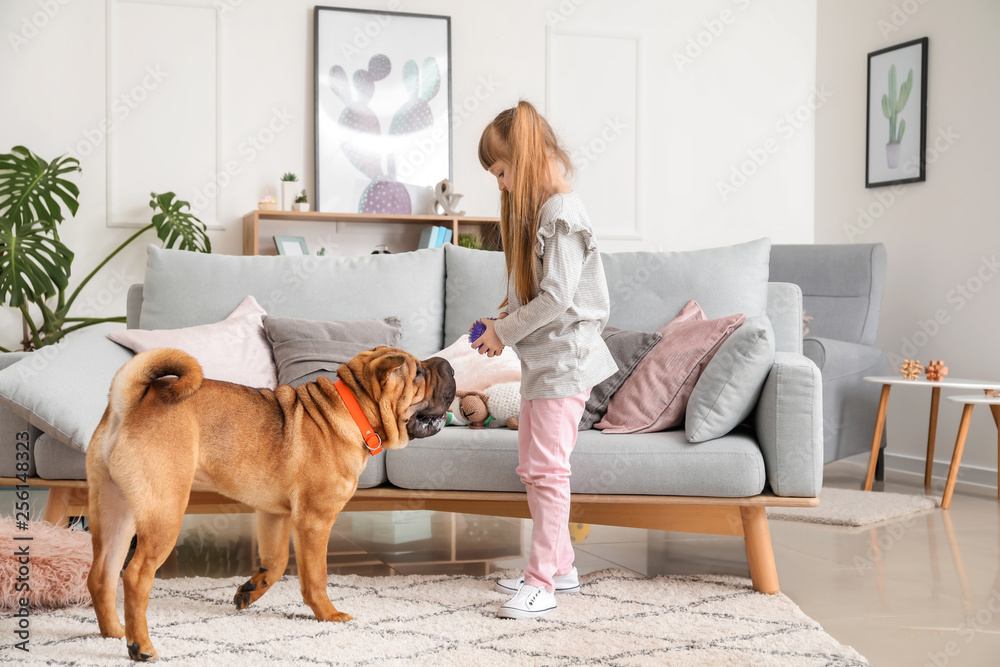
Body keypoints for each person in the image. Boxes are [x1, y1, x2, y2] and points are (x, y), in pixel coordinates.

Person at [473, 100, 617, 619]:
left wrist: (504, 332)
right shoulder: (546, 213)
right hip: (546, 364)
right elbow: (542, 294)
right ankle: (561, 567)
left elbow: (556, 299)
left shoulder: (560, 213)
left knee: (549, 471)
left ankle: (541, 584)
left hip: (566, 365)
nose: (500, 185)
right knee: (535, 469)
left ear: (527, 159)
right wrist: (502, 319)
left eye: (502, 171)